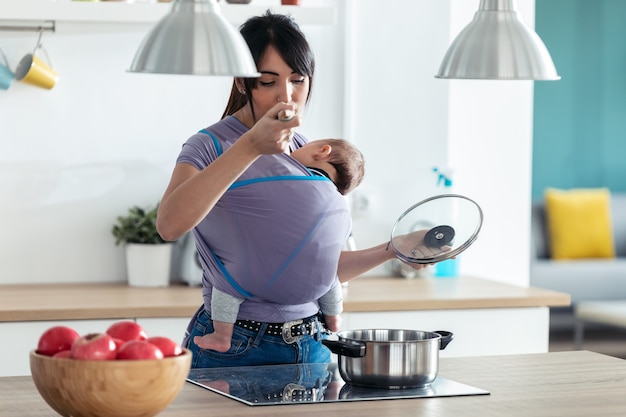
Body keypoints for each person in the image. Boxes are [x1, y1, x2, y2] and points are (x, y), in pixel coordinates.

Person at [156, 11, 429, 368]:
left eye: (298, 80)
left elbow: (319, 267)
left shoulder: (307, 151)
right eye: (268, 81)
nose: (286, 95)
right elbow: (169, 225)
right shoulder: (209, 145)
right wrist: (251, 146)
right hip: (235, 344)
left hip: (311, 341)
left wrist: (395, 249)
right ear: (242, 82)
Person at [194, 138, 365, 352]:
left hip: (253, 279)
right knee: (330, 279)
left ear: (323, 151)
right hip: (313, 288)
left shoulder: (283, 181)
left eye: (303, 146)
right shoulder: (339, 203)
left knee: (227, 286)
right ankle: (334, 321)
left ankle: (222, 335)